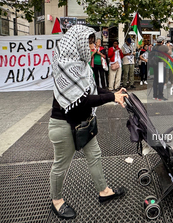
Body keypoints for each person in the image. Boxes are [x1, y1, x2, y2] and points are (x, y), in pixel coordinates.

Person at [49, 25, 127, 220]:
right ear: (77, 42)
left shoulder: (82, 64)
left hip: (84, 122)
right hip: (64, 124)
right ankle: (56, 201)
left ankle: (104, 191)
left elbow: (92, 90)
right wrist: (111, 98)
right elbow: (81, 101)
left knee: (95, 155)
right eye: (89, 42)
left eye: (93, 42)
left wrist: (113, 94)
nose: (92, 46)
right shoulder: (65, 65)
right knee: (61, 165)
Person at [149, 36, 169, 101]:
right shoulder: (164, 47)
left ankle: (155, 95)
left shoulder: (154, 47)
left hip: (155, 65)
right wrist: (168, 46)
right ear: (162, 41)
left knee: (155, 80)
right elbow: (170, 52)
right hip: (161, 65)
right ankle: (160, 96)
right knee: (161, 81)